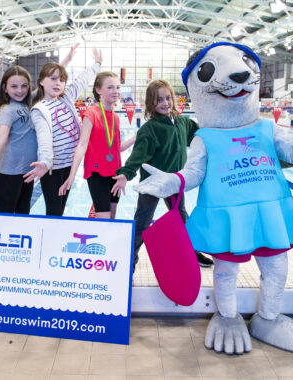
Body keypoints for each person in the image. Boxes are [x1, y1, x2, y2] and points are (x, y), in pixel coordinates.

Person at [111, 80, 214, 269]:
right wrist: (126, 174)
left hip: (175, 180)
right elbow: (137, 156)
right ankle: (130, 259)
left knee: (182, 218)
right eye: (159, 100)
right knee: (143, 221)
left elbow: (200, 135)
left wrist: (216, 134)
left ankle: (193, 251)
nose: (165, 103)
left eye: (168, 98)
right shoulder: (149, 129)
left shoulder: (183, 122)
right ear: (151, 104)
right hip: (153, 183)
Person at [31, 47, 102, 216]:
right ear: (41, 81)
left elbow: (82, 80)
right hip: (53, 169)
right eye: (53, 79)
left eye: (62, 80)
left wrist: (97, 64)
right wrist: (45, 161)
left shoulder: (67, 97)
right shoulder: (39, 109)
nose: (58, 83)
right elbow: (44, 138)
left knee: (60, 210)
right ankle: (50, 240)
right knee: (54, 211)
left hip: (70, 166)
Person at [59, 71, 135, 218]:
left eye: (118, 87)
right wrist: (72, 175)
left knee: (112, 215)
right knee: (104, 218)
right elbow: (82, 145)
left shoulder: (115, 117)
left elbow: (115, 149)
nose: (116, 91)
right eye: (110, 87)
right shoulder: (91, 113)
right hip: (97, 173)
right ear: (98, 90)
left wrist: (135, 138)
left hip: (115, 173)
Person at [0, 66, 50, 214]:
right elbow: (1, 135)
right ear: (4, 88)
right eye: (14, 86)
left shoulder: (27, 104)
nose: (20, 90)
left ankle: (19, 237)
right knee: (7, 213)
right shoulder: (6, 109)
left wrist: (68, 58)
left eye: (24, 86)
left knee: (23, 211)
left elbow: (47, 81)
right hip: (8, 172)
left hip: (26, 170)